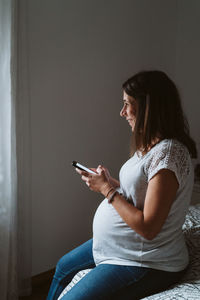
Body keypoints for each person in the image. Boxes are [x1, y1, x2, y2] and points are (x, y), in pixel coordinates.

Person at [47, 70, 197, 300]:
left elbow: (149, 227)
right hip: (126, 245)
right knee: (63, 268)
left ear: (149, 108)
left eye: (127, 104)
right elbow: (141, 192)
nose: (122, 112)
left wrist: (106, 190)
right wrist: (111, 183)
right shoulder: (152, 145)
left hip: (149, 260)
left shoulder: (168, 154)